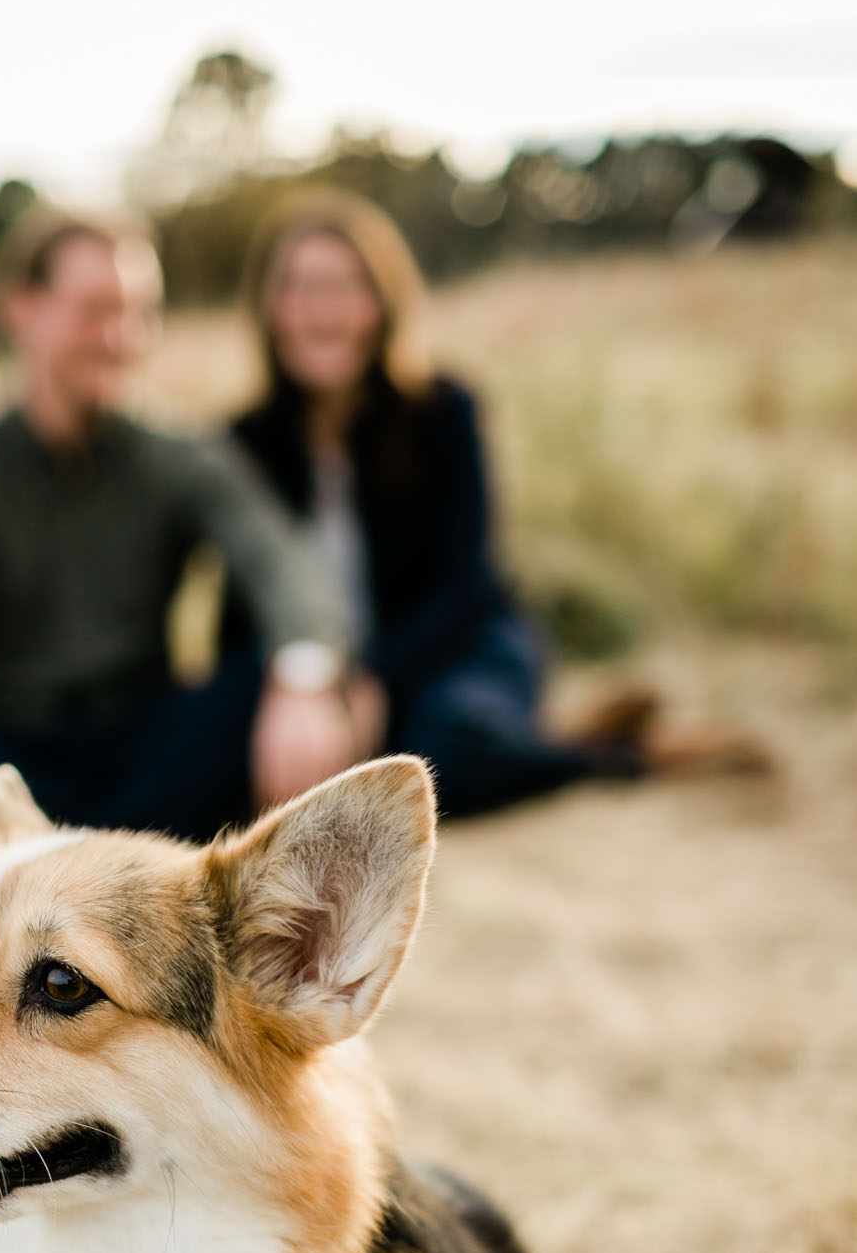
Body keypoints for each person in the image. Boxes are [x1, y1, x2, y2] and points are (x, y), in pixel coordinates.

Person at [225, 189, 769, 820]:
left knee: (439, 754)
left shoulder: (445, 411)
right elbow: (241, 614)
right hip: (326, 683)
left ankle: (629, 755)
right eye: (298, 287)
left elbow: (466, 584)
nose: (321, 309)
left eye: (345, 285)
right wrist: (291, 689)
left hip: (459, 647)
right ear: (268, 307)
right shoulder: (244, 442)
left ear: (381, 302)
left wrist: (369, 679)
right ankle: (566, 736)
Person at [0, 206, 361, 851]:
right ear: (21, 308)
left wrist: (303, 677)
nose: (120, 335)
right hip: (19, 748)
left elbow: (281, 564)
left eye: (139, 312)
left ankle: (86, 839)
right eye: (95, 310)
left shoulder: (184, 457)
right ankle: (70, 833)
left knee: (253, 685)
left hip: (148, 735)